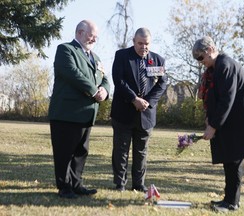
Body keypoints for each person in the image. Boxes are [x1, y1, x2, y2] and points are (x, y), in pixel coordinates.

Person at [193, 36, 244, 212]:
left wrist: (213, 126)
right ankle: (229, 199)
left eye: (201, 57)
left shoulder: (225, 65)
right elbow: (216, 98)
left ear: (210, 49)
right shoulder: (216, 67)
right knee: (230, 156)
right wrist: (209, 118)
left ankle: (232, 203)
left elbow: (226, 100)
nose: (200, 62)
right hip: (235, 115)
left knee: (234, 157)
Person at [48, 20, 110, 198]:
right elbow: (72, 73)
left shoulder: (96, 58)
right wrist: (93, 91)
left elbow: (105, 78)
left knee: (81, 152)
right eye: (91, 36)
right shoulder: (65, 50)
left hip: (87, 113)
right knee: (64, 152)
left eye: (96, 37)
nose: (94, 40)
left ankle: (76, 184)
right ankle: (64, 187)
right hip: (66, 113)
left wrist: (105, 91)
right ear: (80, 33)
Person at [110, 28, 167, 192]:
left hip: (146, 115)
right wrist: (134, 99)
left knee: (141, 152)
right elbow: (118, 80)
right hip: (123, 112)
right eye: (140, 43)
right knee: (121, 150)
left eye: (146, 44)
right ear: (133, 41)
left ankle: (138, 184)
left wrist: (147, 102)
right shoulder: (122, 56)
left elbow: (162, 84)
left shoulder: (157, 60)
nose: (143, 47)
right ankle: (120, 184)